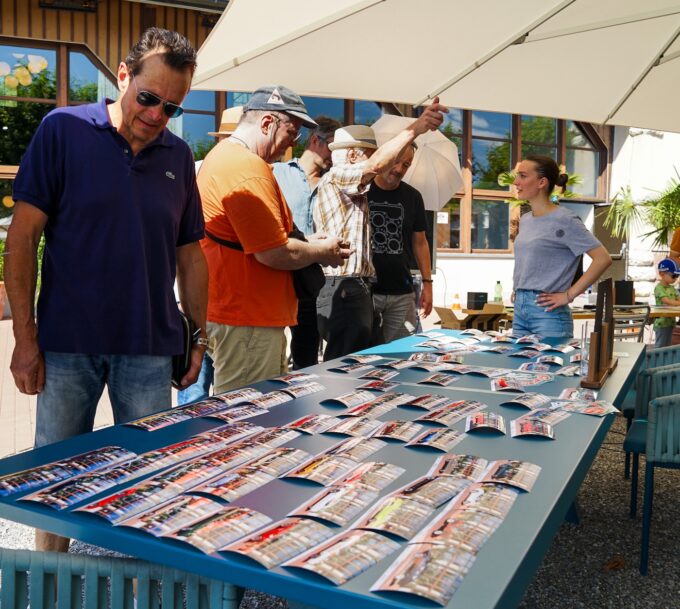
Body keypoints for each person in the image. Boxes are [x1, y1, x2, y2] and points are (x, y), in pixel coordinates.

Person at [5, 28, 207, 552]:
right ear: (123, 76)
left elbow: (190, 254)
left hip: (148, 347)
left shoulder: (179, 158)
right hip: (67, 343)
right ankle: (48, 588)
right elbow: (23, 239)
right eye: (148, 97)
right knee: (53, 477)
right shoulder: (62, 130)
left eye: (173, 107)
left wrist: (199, 337)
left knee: (146, 482)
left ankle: (134, 590)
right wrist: (25, 341)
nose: (158, 115)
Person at [199, 85, 350, 394]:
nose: (290, 146)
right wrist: (321, 251)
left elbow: (253, 236)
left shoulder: (226, 158)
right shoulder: (247, 167)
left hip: (243, 314)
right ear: (267, 124)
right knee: (247, 419)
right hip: (248, 319)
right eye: (290, 134)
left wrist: (306, 240)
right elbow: (272, 253)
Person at [313, 98, 447, 360]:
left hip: (358, 287)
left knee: (364, 364)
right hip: (344, 287)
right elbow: (375, 166)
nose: (384, 165)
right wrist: (415, 128)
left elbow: (419, 240)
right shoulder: (340, 174)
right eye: (369, 153)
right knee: (344, 367)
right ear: (352, 154)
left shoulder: (364, 186)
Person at [177, 106, 244, 405]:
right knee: (195, 385)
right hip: (206, 293)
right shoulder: (196, 169)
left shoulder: (202, 168)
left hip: (217, 294)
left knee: (198, 385)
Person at [511, 155, 612, 338]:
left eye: (523, 176)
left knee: (552, 366)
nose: (516, 182)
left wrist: (569, 295)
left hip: (548, 313)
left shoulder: (565, 219)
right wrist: (518, 288)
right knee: (519, 366)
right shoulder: (525, 220)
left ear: (542, 182)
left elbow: (603, 258)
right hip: (520, 308)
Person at [272, 116, 342, 369]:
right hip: (278, 273)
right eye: (333, 148)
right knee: (269, 351)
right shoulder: (277, 173)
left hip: (313, 281)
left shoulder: (334, 181)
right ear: (315, 140)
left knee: (307, 354)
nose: (335, 157)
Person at [368, 143, 433, 343]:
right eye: (396, 161)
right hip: (365, 291)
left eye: (406, 165)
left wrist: (427, 284)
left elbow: (420, 242)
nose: (399, 169)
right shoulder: (362, 189)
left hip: (401, 294)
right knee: (360, 356)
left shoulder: (413, 197)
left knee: (399, 356)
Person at [653, 258, 680, 348]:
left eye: (677, 276)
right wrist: (677, 303)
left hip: (670, 322)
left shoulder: (672, 288)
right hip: (661, 322)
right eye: (673, 276)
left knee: (667, 346)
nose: (675, 278)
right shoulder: (659, 288)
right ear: (662, 274)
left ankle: (664, 362)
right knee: (660, 345)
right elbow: (666, 300)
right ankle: (656, 362)